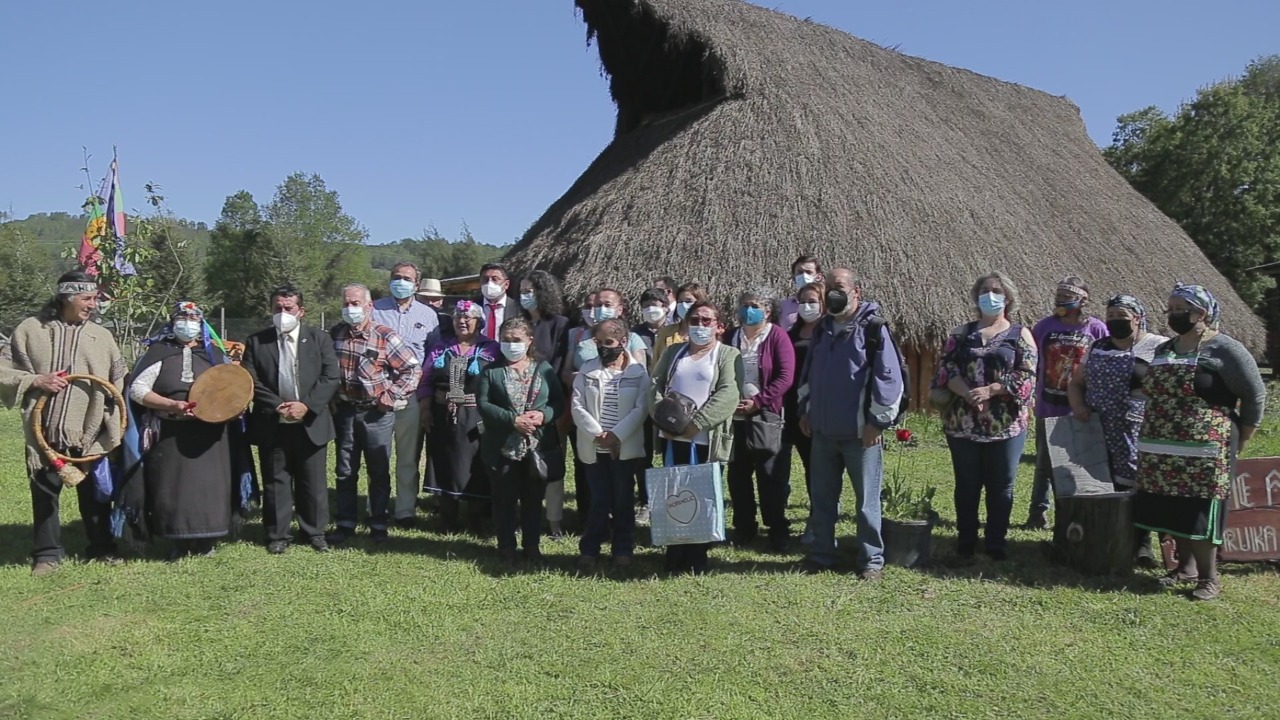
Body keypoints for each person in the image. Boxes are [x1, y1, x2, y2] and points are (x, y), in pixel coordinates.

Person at [1134, 284, 1265, 601]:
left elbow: (1254, 395)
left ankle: (1209, 579)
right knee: (1171, 507)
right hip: (1163, 446)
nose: (1172, 314)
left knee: (1199, 509)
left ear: (1201, 313)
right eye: (1170, 308)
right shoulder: (1166, 349)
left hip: (1206, 449)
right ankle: (1184, 568)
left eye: (1180, 308)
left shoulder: (1225, 349)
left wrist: (1244, 436)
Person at [0, 271, 127, 575]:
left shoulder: (101, 336)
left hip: (90, 431)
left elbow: (117, 380)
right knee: (45, 495)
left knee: (96, 496)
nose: (93, 305)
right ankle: (46, 555)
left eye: (95, 298)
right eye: (87, 298)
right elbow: (3, 368)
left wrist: (109, 419)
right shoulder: (31, 330)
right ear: (66, 297)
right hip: (42, 431)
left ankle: (102, 548)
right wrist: (35, 380)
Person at [797, 268, 904, 579]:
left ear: (856, 292)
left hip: (861, 435)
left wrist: (877, 422)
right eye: (828, 286)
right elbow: (809, 374)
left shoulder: (874, 328)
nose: (833, 292)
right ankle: (821, 555)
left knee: (866, 503)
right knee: (822, 498)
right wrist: (806, 411)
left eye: (839, 286)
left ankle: (871, 561)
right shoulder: (823, 329)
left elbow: (888, 379)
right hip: (823, 431)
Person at [935, 273, 1038, 560]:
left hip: (1005, 423)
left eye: (996, 290)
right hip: (962, 421)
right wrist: (967, 392)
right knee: (966, 483)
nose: (989, 295)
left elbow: (1028, 375)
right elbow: (946, 370)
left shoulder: (1021, 334)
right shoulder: (960, 333)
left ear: (1008, 297)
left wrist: (992, 390)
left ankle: (996, 542)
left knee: (1001, 484)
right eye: (984, 290)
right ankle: (966, 539)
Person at [126, 301, 235, 560]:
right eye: (182, 318)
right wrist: (171, 404)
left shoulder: (215, 356)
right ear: (172, 321)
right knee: (171, 488)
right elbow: (137, 390)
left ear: (201, 324)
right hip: (169, 433)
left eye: (193, 319)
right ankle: (177, 541)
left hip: (210, 436)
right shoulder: (157, 353)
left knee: (209, 488)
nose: (188, 323)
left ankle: (207, 539)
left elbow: (232, 390)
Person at [1067, 295, 1168, 566]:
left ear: (1137, 317)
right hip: (1098, 429)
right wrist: (1077, 407)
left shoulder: (1158, 346)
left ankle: (1142, 545)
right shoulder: (1098, 347)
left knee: (1139, 486)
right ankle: (1106, 539)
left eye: (1121, 315)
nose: (1114, 320)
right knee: (1103, 485)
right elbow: (1076, 383)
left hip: (1138, 430)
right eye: (1110, 315)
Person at [241, 285, 340, 554]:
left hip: (311, 421)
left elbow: (331, 377)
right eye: (278, 308)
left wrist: (306, 406)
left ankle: (315, 531)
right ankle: (277, 534)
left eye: (289, 308)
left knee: (313, 481)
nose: (282, 313)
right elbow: (251, 380)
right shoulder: (256, 341)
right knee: (276, 480)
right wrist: (278, 406)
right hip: (273, 421)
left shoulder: (320, 339)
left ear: (301, 311)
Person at [649, 301, 743, 575]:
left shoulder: (726, 354)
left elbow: (729, 393)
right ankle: (673, 552)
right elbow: (655, 385)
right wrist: (662, 419)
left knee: (702, 498)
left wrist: (696, 424)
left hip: (705, 440)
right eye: (695, 320)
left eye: (706, 321)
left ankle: (697, 556)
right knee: (674, 496)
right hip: (672, 437)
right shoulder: (674, 352)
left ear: (719, 327)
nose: (700, 326)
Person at [328, 283, 422, 544]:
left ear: (369, 306)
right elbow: (325, 371)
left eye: (356, 304)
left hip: (376, 414)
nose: (350, 309)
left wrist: (390, 397)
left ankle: (378, 522)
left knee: (378, 470)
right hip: (345, 411)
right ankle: (345, 521)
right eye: (346, 304)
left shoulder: (384, 335)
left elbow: (412, 370)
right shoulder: (335, 334)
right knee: (345, 470)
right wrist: (330, 399)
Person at [477, 317, 564, 565]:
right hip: (502, 445)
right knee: (504, 498)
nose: (511, 345)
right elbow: (483, 404)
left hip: (536, 446)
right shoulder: (490, 371)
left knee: (533, 499)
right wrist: (512, 420)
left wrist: (544, 414)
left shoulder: (543, 368)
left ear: (529, 341)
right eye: (506, 340)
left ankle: (532, 545)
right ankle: (506, 545)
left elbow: (558, 401)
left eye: (516, 340)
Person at [1025, 276, 1109, 529]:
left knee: (1081, 461)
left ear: (1082, 300)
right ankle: (1038, 513)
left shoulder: (1096, 329)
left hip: (1083, 407)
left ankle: (1077, 511)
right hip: (1048, 405)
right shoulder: (1043, 327)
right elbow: (1032, 362)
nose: (1061, 302)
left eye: (1066, 297)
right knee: (1044, 464)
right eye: (1058, 297)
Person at [572, 318, 651, 569]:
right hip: (595, 447)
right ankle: (590, 548)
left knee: (623, 500)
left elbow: (641, 409)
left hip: (624, 448)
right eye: (599, 342)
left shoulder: (639, 373)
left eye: (609, 342)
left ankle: (623, 548)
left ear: (623, 342)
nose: (604, 347)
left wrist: (617, 435)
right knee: (599, 499)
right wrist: (599, 434)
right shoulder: (586, 370)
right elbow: (577, 405)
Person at [724, 288, 796, 551]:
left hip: (766, 415)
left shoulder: (777, 336)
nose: (748, 310)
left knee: (770, 475)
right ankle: (744, 527)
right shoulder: (732, 336)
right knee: (738, 475)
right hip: (734, 416)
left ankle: (777, 529)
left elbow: (785, 377)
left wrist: (759, 401)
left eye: (754, 305)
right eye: (744, 305)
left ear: (767, 311)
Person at [419, 301, 500, 532]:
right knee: (443, 460)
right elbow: (425, 379)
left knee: (474, 463)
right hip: (441, 412)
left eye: (468, 318)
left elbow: (497, 382)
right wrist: (425, 407)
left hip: (476, 414)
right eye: (458, 318)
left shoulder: (490, 349)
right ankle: (447, 517)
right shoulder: (441, 347)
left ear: (479, 322)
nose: (462, 321)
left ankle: (475, 518)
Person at [371, 261, 441, 529]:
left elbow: (433, 356)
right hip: (380, 393)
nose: (401, 281)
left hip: (411, 394)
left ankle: (404, 510)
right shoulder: (375, 310)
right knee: (378, 454)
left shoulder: (428, 315)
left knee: (408, 455)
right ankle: (375, 507)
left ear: (416, 283)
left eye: (407, 278)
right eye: (396, 277)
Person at [519, 270, 571, 537]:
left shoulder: (560, 324)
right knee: (520, 464)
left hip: (550, 403)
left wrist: (552, 406)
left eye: (530, 291)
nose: (525, 296)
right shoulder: (517, 323)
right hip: (517, 403)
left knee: (551, 462)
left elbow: (561, 365)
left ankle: (554, 521)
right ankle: (525, 516)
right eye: (522, 291)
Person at [784, 281, 824, 544]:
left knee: (816, 469)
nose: (807, 307)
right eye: (802, 302)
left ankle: (817, 521)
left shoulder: (829, 333)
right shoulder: (789, 334)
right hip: (789, 407)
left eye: (813, 302)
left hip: (818, 408)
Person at [652, 282, 708, 370]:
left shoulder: (709, 332)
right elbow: (656, 365)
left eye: (688, 301)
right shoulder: (666, 332)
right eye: (680, 302)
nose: (683, 305)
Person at [779, 254, 824, 330]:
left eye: (809, 272)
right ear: (793, 277)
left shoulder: (827, 304)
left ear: (818, 277)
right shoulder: (783, 306)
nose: (804, 276)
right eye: (800, 272)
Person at [478, 263, 520, 342]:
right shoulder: (473, 306)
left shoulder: (518, 308)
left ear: (506, 284)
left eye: (495, 279)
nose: (489, 283)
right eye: (485, 279)